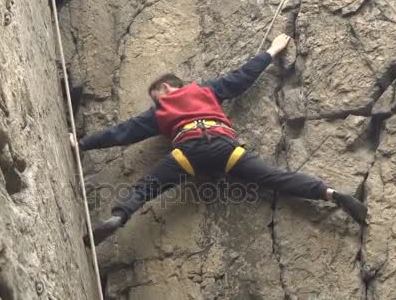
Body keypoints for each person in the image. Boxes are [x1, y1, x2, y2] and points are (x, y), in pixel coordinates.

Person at [73, 34, 367, 246]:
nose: (155, 104)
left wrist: (84, 143)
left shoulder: (161, 109)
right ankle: (330, 194)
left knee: (147, 187)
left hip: (187, 151)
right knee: (275, 177)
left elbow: (123, 132)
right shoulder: (206, 90)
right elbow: (242, 77)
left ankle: (119, 217)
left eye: (155, 97)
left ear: (166, 87)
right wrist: (272, 50)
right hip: (224, 147)